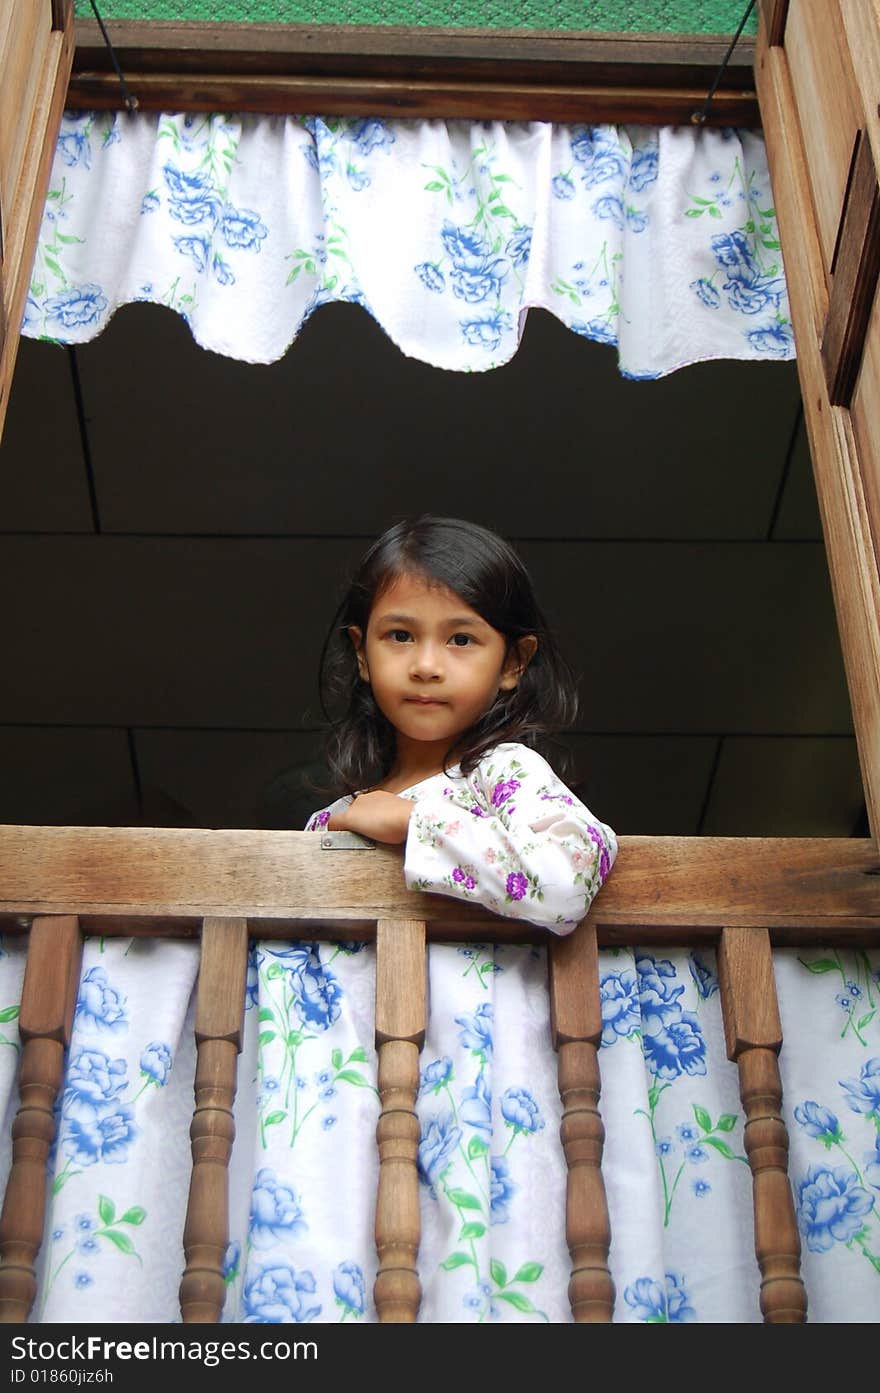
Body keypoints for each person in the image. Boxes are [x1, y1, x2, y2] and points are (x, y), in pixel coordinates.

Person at [308, 513, 617, 932]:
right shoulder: (341, 815)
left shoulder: (504, 771)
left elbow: (567, 881)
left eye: (461, 639)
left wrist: (411, 822)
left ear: (513, 662)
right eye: (400, 635)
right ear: (362, 653)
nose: (426, 666)